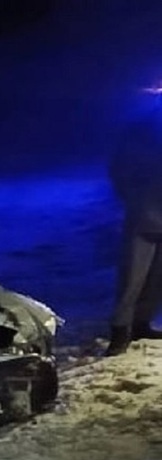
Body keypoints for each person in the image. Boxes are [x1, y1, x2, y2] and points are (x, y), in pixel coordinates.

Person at [106, 107, 162, 356]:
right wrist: (134, 199)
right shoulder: (141, 129)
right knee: (132, 277)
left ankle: (142, 323)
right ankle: (120, 331)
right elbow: (120, 168)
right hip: (144, 212)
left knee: (157, 278)